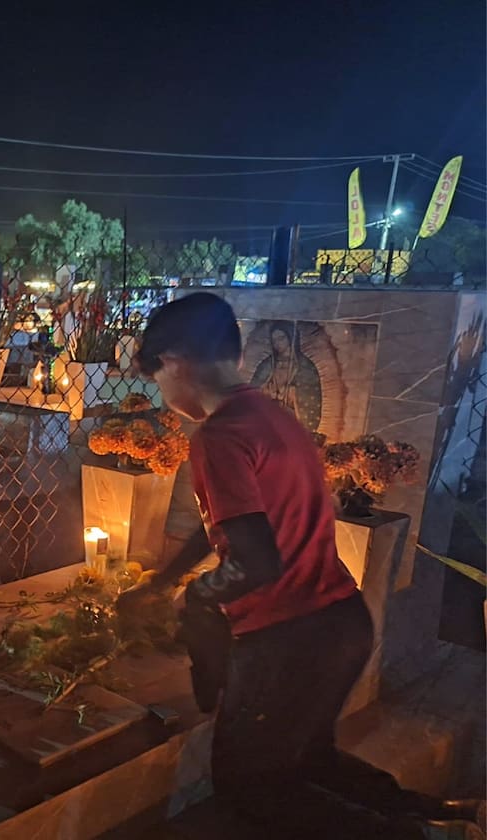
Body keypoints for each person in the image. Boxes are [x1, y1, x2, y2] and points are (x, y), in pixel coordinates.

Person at [117, 292, 484, 840]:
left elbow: (256, 560)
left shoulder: (219, 437)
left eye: (158, 378)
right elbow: (225, 523)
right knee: (306, 760)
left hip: (287, 639)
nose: (163, 394)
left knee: (251, 785)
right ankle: (451, 816)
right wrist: (165, 581)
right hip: (341, 622)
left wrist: (194, 599)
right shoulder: (270, 414)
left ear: (174, 362)